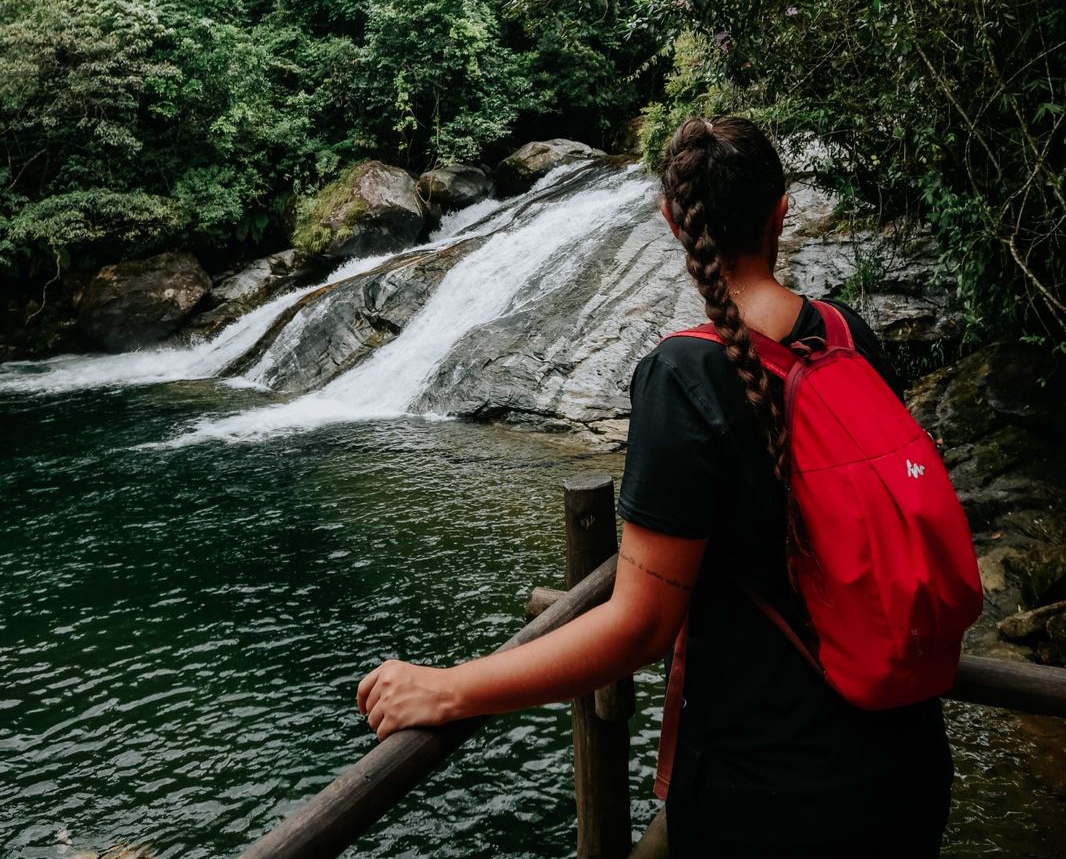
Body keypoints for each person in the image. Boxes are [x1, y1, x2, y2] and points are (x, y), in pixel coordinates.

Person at [357, 115, 954, 857]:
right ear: (782, 211)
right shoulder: (846, 334)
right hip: (906, 763)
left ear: (673, 222)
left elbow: (640, 626)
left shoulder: (684, 374)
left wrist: (450, 688)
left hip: (768, 797)